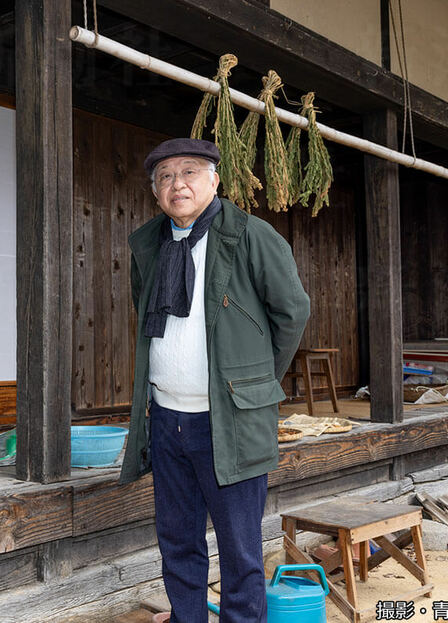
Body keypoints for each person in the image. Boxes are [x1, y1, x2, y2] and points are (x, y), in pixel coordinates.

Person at [120, 139, 310, 623]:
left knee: (240, 546)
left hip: (228, 420)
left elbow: (292, 311)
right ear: (155, 191)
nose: (176, 184)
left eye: (188, 172)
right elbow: (145, 319)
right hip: (166, 418)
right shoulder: (149, 243)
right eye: (164, 177)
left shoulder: (251, 235)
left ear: (214, 181)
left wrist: (255, 383)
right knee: (177, 540)